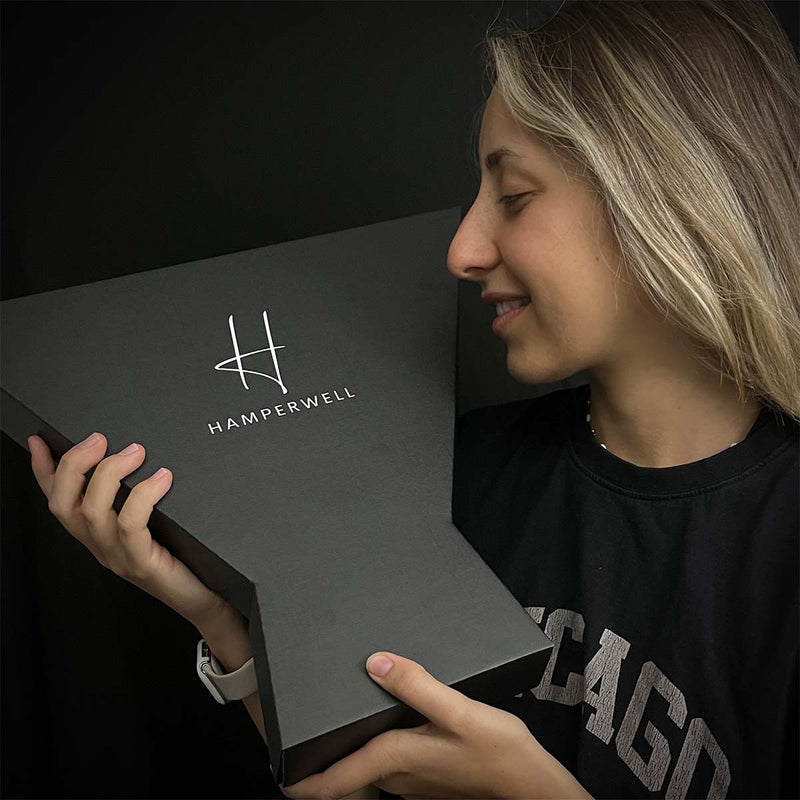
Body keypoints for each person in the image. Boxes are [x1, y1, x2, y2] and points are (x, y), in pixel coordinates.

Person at [26, 0, 799, 798]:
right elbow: (357, 781)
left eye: (515, 195)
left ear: (671, 195)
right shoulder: (454, 475)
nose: (462, 250)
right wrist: (216, 613)